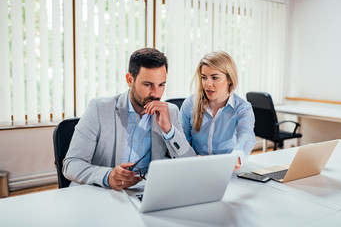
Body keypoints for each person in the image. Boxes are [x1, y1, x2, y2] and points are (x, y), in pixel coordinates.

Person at [63, 48, 196, 190]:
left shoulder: (170, 111)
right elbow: (71, 164)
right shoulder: (99, 109)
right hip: (102, 191)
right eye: (147, 85)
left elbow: (189, 164)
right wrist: (107, 176)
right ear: (130, 80)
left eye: (161, 85)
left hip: (144, 192)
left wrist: (169, 131)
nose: (156, 93)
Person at [180, 51, 256, 170]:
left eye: (215, 78)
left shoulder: (242, 108)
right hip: (195, 169)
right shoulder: (190, 104)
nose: (208, 84)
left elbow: (246, 136)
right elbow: (181, 141)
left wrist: (236, 156)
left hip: (226, 170)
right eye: (204, 77)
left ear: (229, 79)